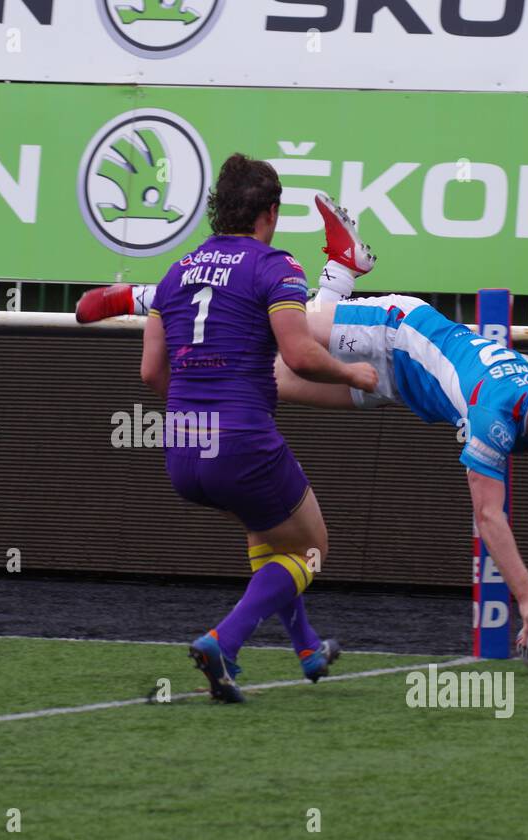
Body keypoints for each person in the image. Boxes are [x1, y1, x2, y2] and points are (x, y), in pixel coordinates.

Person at [86, 193, 528, 646]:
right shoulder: (494, 412)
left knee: (267, 379)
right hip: (395, 329)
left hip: (400, 386)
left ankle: (343, 266)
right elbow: (488, 517)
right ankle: (142, 295)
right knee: (276, 325)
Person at [139, 156, 378, 703]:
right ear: (270, 212)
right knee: (312, 549)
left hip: (182, 447)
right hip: (241, 440)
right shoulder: (275, 266)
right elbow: (299, 354)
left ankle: (307, 650)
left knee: (268, 535)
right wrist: (352, 373)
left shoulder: (175, 272)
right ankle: (223, 641)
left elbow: (151, 372)